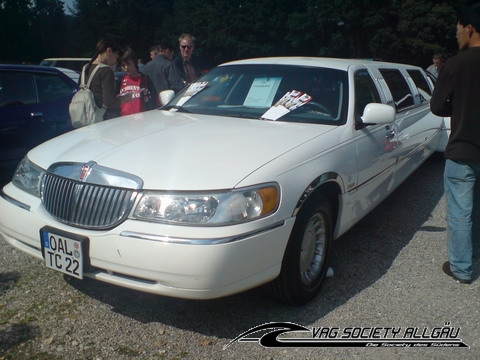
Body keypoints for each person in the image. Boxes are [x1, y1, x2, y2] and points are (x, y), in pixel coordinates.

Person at [430, 4, 480, 284]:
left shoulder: (456, 64)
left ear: (469, 28)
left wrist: (458, 106)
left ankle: (461, 268)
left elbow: (437, 106)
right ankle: (475, 252)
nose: (456, 34)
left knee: (461, 212)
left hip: (462, 149)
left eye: (458, 29)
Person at [85, 38, 122, 120]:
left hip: (87, 118)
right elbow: (109, 102)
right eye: (116, 57)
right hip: (103, 120)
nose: (115, 62)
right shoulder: (106, 71)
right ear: (109, 51)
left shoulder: (85, 69)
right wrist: (123, 99)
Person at [118, 48, 157, 116]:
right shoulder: (120, 80)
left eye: (128, 64)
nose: (126, 67)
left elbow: (153, 100)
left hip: (143, 120)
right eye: (123, 65)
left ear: (134, 62)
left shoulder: (145, 80)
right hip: (124, 120)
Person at [141, 38, 176, 103]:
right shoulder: (168, 65)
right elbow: (175, 86)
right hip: (166, 103)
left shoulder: (146, 66)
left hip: (149, 103)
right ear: (167, 51)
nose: (171, 57)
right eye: (172, 54)